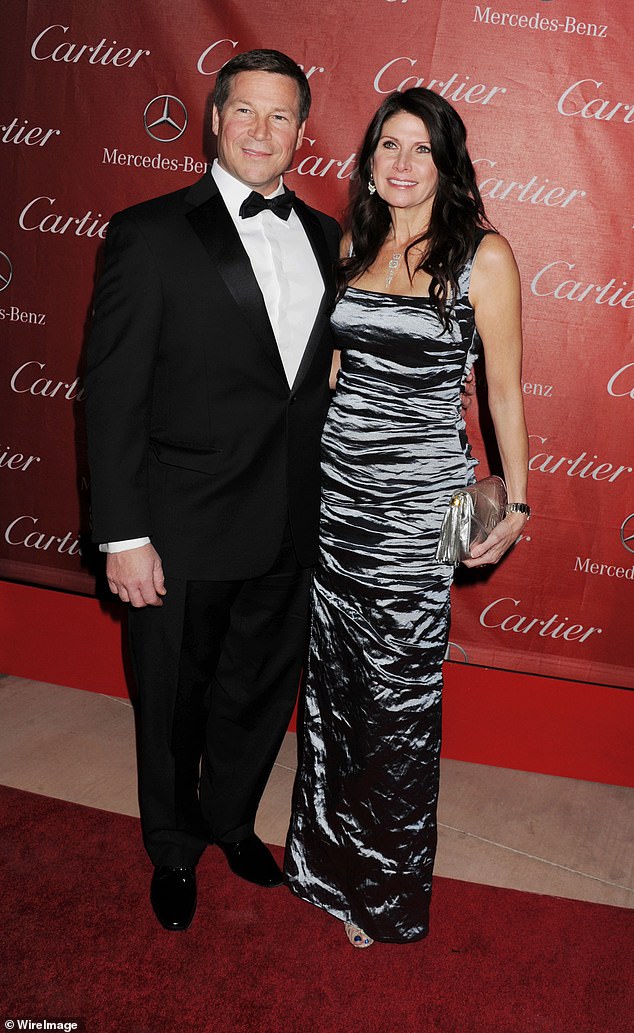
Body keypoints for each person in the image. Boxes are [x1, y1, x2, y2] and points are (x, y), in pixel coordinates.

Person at [84, 49, 340, 932]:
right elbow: (112, 393)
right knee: (172, 703)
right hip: (181, 525)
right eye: (246, 113)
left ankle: (230, 818)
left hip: (292, 524)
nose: (262, 133)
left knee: (261, 690)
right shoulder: (148, 232)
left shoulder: (328, 238)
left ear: (303, 134)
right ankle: (173, 846)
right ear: (215, 119)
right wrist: (122, 533)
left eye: (281, 118)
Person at [284, 87, 530, 948]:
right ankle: (324, 866)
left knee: (395, 701)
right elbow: (338, 377)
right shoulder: (357, 241)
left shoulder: (482, 256)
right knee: (337, 689)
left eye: (420, 150)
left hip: (418, 508)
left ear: (447, 162)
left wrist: (519, 495)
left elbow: (501, 390)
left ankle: (381, 892)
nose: (400, 163)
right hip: (339, 495)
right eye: (389, 145)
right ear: (371, 158)